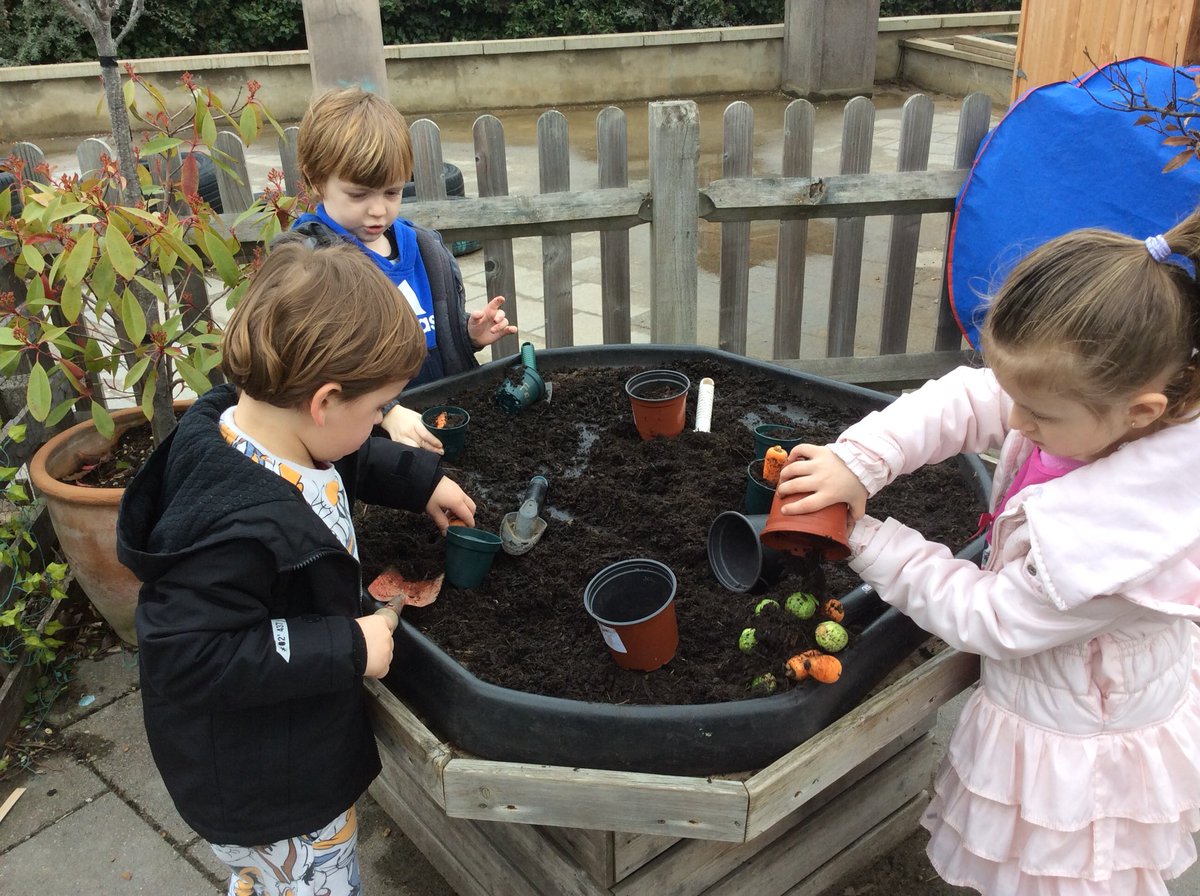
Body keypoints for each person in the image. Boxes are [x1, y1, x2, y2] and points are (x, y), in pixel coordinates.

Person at [776, 216, 1200, 895]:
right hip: (1064, 683)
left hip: (1077, 744)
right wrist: (858, 463)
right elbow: (969, 398)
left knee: (1062, 871)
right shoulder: (1092, 403)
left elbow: (989, 617)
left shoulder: (1119, 545)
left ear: (1143, 412)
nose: (1015, 421)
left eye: (1035, 413)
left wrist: (866, 539)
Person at [116, 238, 477, 895]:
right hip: (267, 785)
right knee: (311, 882)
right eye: (376, 412)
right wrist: (346, 643)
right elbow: (191, 655)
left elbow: (350, 456)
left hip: (279, 747)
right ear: (325, 401)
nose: (376, 425)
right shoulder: (235, 531)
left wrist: (422, 480)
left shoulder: (261, 425)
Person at [291, 86, 517, 452]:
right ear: (316, 181)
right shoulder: (311, 263)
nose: (378, 210)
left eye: (392, 192)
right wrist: (386, 411)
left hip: (438, 417)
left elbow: (431, 334)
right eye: (359, 195)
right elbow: (314, 364)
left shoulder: (424, 248)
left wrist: (467, 334)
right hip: (367, 441)